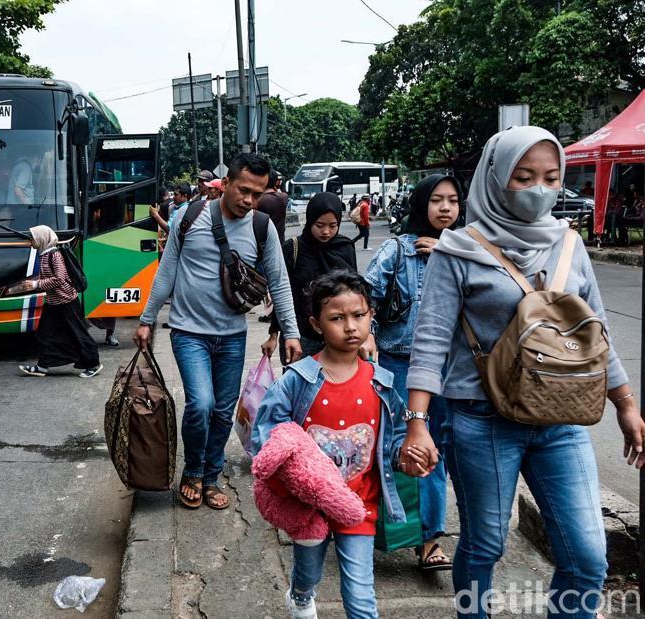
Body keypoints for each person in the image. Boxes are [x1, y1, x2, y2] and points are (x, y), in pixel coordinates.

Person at [402, 126, 644, 618]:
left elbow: (597, 336)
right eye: (525, 176)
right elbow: (429, 341)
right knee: (486, 544)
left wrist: (626, 405)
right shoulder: (457, 249)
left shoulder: (570, 245)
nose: (540, 189)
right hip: (482, 420)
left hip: (561, 421)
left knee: (587, 556)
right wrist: (418, 423)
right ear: (494, 178)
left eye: (552, 177)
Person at [251, 271, 427, 619]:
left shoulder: (383, 383)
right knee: (309, 573)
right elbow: (266, 437)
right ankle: (300, 595)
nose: (350, 327)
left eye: (359, 316)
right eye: (337, 318)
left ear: (371, 317)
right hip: (308, 508)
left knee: (361, 595)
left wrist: (408, 455)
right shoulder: (297, 381)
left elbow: (389, 443)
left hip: (359, 504)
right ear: (316, 325)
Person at [133, 153, 301, 510]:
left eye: (257, 194)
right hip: (188, 330)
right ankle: (193, 470)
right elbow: (166, 272)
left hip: (232, 335)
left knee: (224, 411)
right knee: (201, 403)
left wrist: (291, 331)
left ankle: (211, 476)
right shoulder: (187, 217)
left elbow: (280, 282)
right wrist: (147, 319)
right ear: (225, 185)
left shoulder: (261, 227)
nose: (249, 200)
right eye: (243, 191)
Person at [363, 173, 463, 573]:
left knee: (437, 449)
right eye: (437, 200)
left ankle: (429, 539)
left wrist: (450, 253)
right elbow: (365, 293)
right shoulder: (397, 250)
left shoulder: (469, 249)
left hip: (452, 370)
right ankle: (385, 526)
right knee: (397, 447)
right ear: (421, 204)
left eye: (453, 201)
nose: (445, 208)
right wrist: (367, 335)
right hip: (399, 364)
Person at [18, 226, 103, 378]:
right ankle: (43, 366)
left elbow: (60, 278)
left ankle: (93, 364)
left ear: (42, 239)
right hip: (54, 302)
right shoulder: (43, 254)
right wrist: (33, 283)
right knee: (45, 334)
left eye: (33, 238)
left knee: (78, 333)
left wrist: (36, 284)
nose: (30, 241)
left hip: (66, 301)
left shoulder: (54, 254)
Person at [282, 193, 358, 358]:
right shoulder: (293, 248)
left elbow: (355, 290)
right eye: (319, 225)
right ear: (310, 221)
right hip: (303, 336)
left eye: (333, 225)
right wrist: (276, 333)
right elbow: (283, 293)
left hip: (339, 334)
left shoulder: (345, 247)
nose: (326, 232)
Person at [257, 170, 291, 323]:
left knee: (266, 282)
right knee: (276, 281)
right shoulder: (283, 197)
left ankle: (270, 313)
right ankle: (276, 312)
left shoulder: (260, 200)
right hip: (280, 241)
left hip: (262, 244)